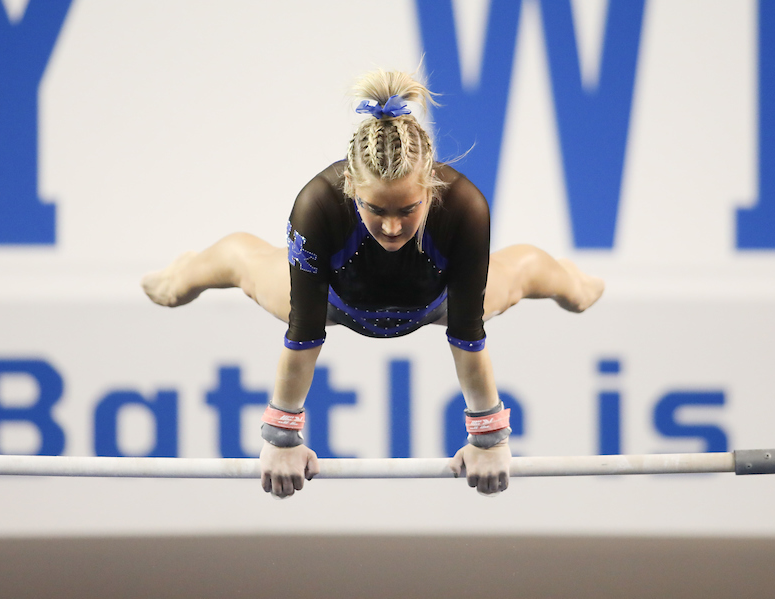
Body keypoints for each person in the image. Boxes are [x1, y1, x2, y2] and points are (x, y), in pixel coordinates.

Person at [142, 69, 604, 498]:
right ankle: (185, 271)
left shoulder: (464, 207)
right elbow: (304, 332)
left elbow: (466, 333)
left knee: (522, 278)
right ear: (350, 189)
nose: (390, 227)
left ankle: (574, 281)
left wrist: (487, 437)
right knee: (246, 267)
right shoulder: (318, 205)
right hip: (330, 299)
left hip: (439, 298)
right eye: (375, 209)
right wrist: (282, 436)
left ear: (430, 190)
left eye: (407, 210)